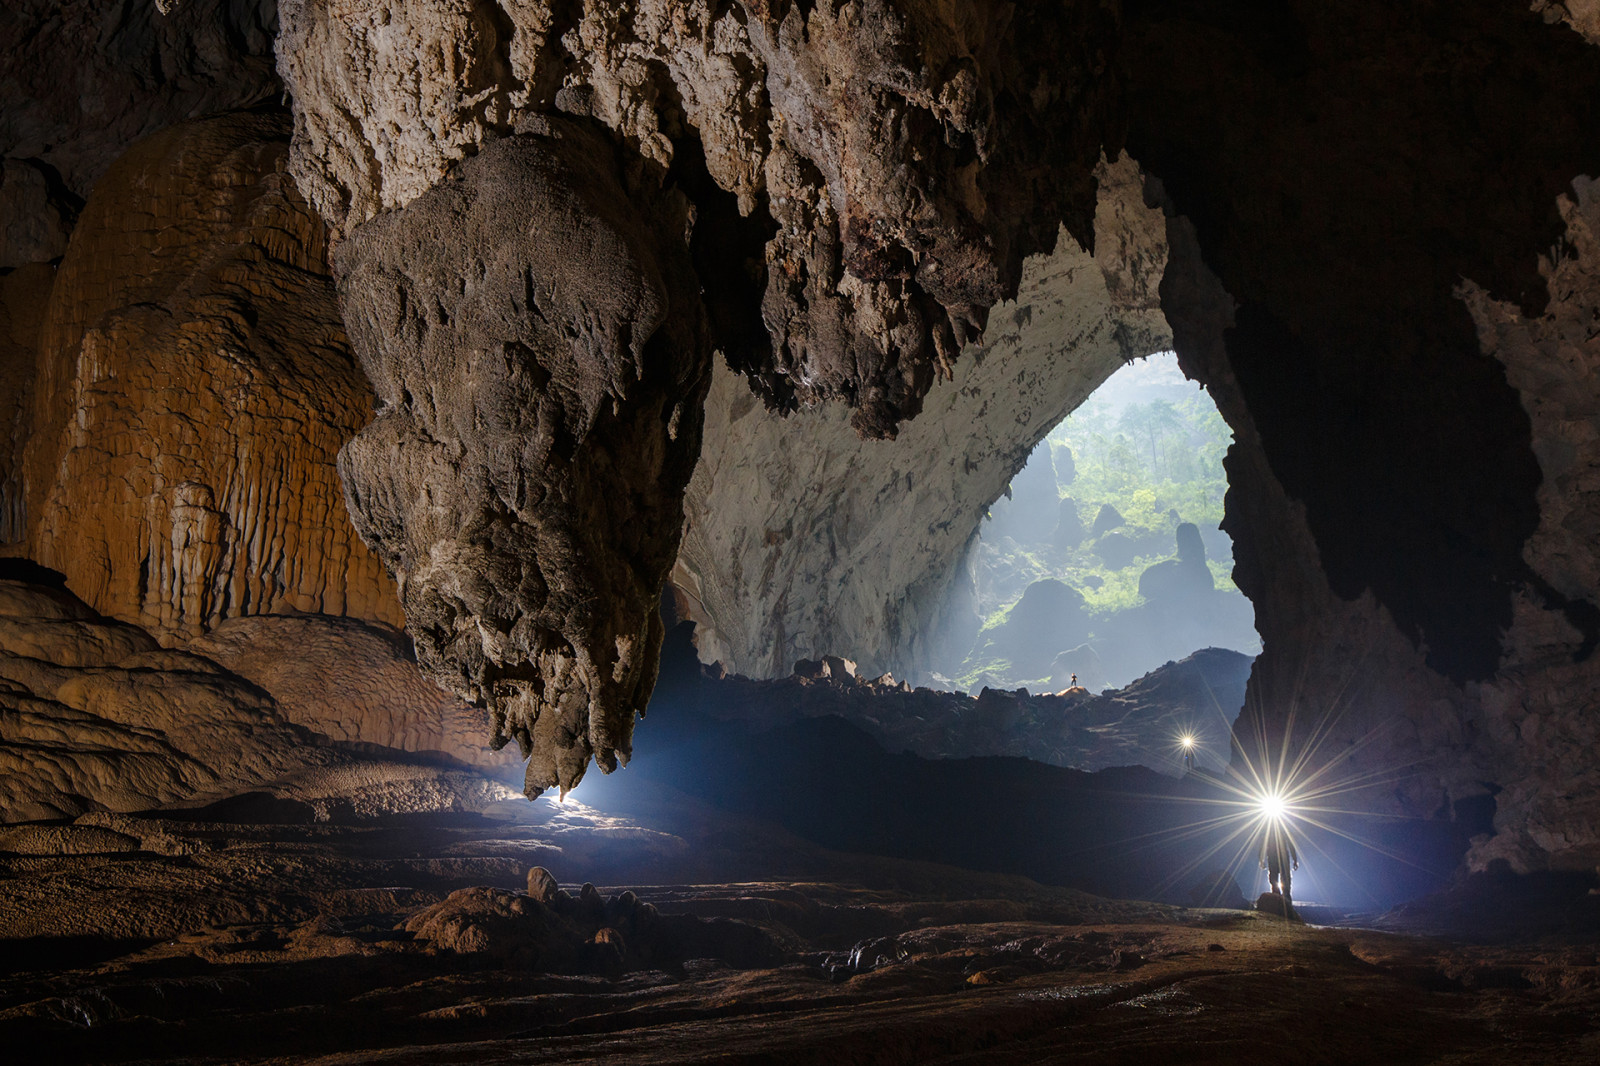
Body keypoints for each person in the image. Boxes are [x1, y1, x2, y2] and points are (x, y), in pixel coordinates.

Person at [1260, 822, 1299, 902]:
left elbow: (1263, 845)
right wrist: (1294, 859)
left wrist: (1261, 859)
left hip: (1275, 858)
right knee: (1281, 882)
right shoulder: (1282, 830)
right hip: (1278, 858)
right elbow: (1291, 845)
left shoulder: (1269, 831)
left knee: (1277, 882)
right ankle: (1282, 901)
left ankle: (1280, 900)